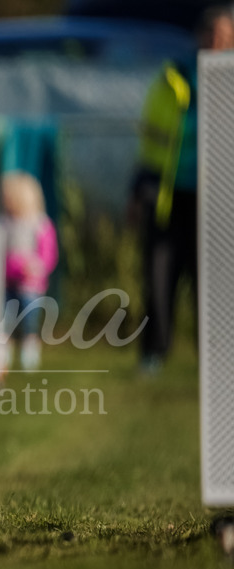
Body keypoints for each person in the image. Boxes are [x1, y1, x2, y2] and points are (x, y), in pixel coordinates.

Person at [134, 6, 234, 374]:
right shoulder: (173, 78)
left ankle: (218, 360)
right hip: (169, 195)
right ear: (200, 37)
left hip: (221, 202)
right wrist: (141, 184)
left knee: (217, 283)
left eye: (226, 37)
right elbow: (151, 138)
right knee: (160, 277)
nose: (218, 43)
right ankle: (153, 354)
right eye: (213, 36)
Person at [0, 172, 58, 371]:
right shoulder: (4, 224)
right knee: (4, 319)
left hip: (31, 285)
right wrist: (16, 267)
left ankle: (30, 353)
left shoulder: (40, 225)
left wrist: (37, 268)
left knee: (29, 319)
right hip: (7, 284)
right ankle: (3, 354)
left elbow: (48, 255)